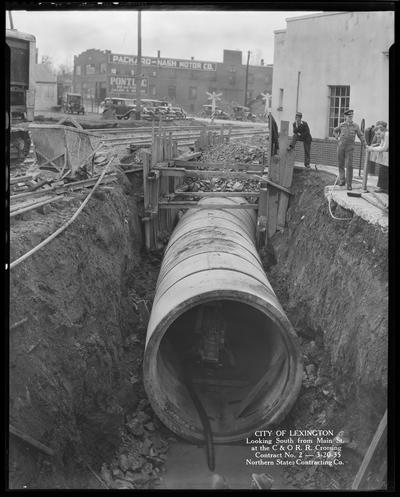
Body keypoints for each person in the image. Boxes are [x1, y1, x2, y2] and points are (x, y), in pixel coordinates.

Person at [333, 109, 366, 190]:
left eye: (351, 116)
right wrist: (336, 136)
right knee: (341, 164)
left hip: (349, 148)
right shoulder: (341, 125)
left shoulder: (355, 126)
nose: (350, 118)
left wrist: (365, 143)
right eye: (349, 116)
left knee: (349, 166)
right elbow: (334, 130)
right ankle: (342, 180)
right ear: (345, 117)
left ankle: (349, 184)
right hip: (341, 147)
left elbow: (360, 135)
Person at [366, 125, 389, 193]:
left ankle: (384, 188)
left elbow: (384, 148)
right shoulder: (383, 136)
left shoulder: (387, 135)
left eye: (379, 134)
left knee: (383, 169)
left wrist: (372, 149)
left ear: (384, 131)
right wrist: (374, 146)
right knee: (383, 169)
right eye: (376, 134)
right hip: (386, 158)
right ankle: (383, 187)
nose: (378, 136)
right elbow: (381, 146)